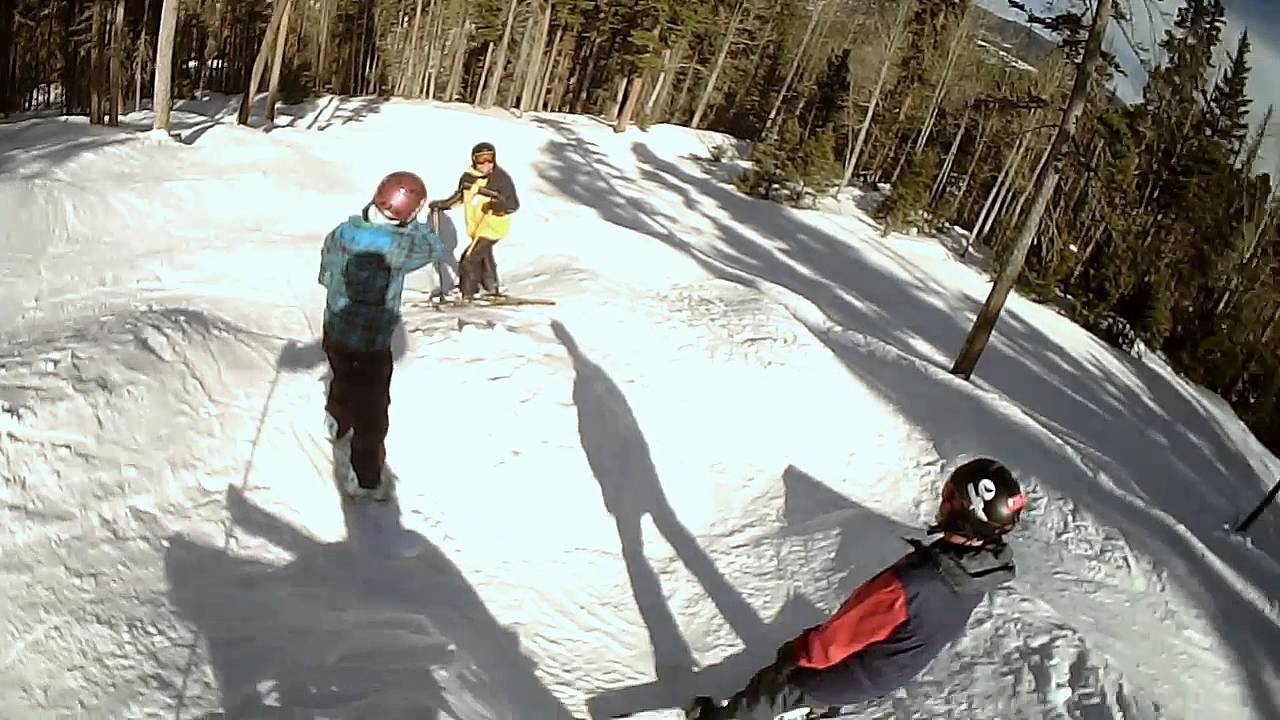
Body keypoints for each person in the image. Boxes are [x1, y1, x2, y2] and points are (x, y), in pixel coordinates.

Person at [691, 458, 1027, 719]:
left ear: (964, 515)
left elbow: (833, 643)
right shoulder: (983, 570)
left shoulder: (913, 585)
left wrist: (794, 655)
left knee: (773, 686)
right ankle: (819, 708)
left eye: (949, 497)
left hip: (850, 676)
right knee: (818, 682)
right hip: (888, 673)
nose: (942, 499)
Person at [318, 170, 443, 500]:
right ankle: (367, 479)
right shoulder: (399, 245)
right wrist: (417, 224)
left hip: (335, 330)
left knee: (341, 379)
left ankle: (336, 422)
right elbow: (434, 248)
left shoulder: (344, 231)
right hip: (371, 345)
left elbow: (325, 271)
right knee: (372, 411)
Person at [428, 141, 521, 300]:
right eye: (481, 159)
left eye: (489, 159)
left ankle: (468, 292)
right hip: (477, 226)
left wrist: (498, 205)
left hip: (493, 226)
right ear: (473, 159)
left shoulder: (500, 179)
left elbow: (513, 205)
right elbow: (460, 197)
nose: (486, 164)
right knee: (484, 256)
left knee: (469, 259)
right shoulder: (468, 178)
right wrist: (443, 205)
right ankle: (491, 287)